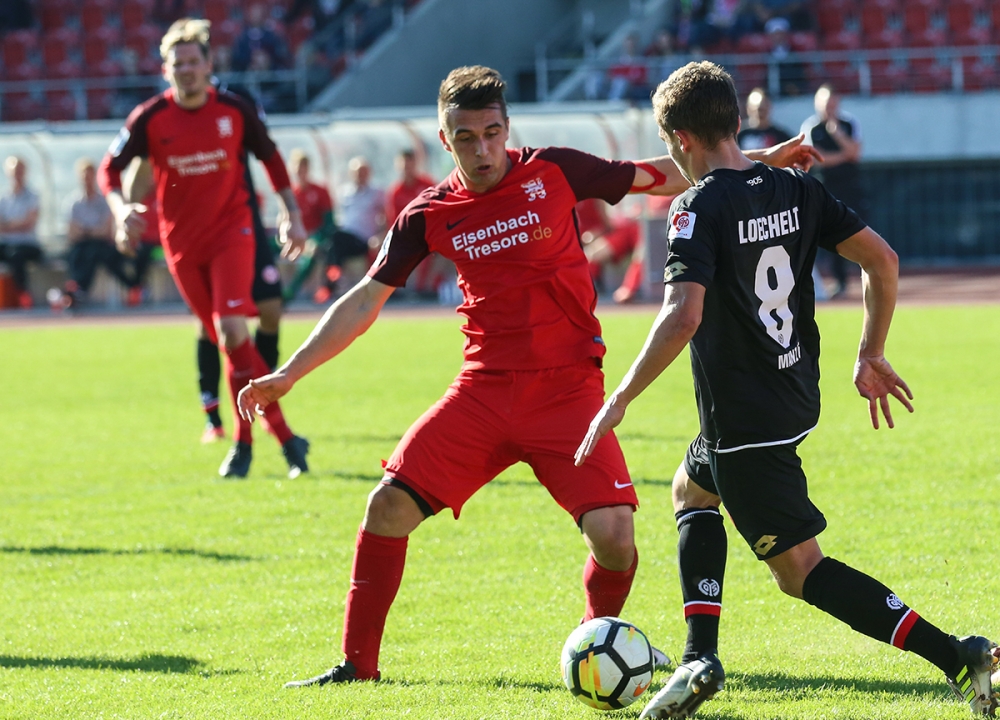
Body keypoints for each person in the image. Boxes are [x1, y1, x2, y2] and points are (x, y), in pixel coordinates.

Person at [235, 64, 820, 687]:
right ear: (445, 139)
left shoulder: (555, 170)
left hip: (569, 394)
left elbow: (662, 172)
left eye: (492, 133)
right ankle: (357, 667)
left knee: (615, 537)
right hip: (482, 394)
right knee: (386, 508)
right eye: (466, 138)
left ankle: (593, 649)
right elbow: (362, 302)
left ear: (507, 128)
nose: (482, 150)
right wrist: (288, 373)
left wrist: (758, 159)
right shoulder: (428, 213)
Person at [574, 61, 998, 719]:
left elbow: (683, 315)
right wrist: (871, 351)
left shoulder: (695, 207)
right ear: (733, 120)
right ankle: (699, 656)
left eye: (667, 144)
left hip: (745, 420)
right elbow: (882, 260)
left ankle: (957, 655)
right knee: (691, 489)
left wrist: (621, 397)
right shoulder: (796, 188)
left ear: (680, 139)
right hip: (794, 392)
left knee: (801, 571)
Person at [98, 18, 310, 479]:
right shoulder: (150, 117)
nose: (187, 70)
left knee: (233, 330)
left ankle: (250, 443)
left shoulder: (234, 109)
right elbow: (108, 171)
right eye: (178, 64)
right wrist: (120, 209)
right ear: (165, 69)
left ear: (209, 64)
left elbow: (272, 157)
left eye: (194, 61)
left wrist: (291, 213)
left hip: (232, 234)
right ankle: (283, 438)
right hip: (182, 247)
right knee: (228, 342)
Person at [800, 83, 865, 298]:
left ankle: (861, 279)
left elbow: (856, 152)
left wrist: (837, 135)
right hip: (823, 190)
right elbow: (817, 159)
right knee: (824, 236)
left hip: (850, 189)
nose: (828, 108)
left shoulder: (848, 123)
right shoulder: (810, 127)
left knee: (855, 234)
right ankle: (831, 282)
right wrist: (844, 155)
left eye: (831, 103)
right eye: (824, 103)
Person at [59, 158, 141, 310]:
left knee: (96, 253)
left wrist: (85, 231)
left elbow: (105, 231)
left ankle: (78, 289)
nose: (87, 180)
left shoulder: (104, 201)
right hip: (82, 245)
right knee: (78, 254)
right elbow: (72, 233)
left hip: (101, 245)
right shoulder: (73, 203)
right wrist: (92, 231)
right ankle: (78, 289)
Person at [312, 155, 383, 303]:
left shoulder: (377, 194)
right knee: (332, 245)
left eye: (363, 172)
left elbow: (386, 218)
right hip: (344, 239)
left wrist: (380, 236)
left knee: (334, 241)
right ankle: (334, 280)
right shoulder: (345, 193)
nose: (360, 175)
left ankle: (331, 283)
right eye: (357, 172)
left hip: (364, 239)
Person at [385, 148, 444, 298]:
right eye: (404, 166)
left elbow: (439, 210)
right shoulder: (396, 192)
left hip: (430, 232)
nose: (407, 169)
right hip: (408, 236)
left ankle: (428, 290)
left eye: (410, 165)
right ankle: (407, 292)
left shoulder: (427, 185)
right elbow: (394, 221)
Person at [284, 149, 337, 303]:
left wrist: (314, 237)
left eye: (304, 166)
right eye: (297, 167)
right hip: (294, 237)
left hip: (315, 237)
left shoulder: (320, 191)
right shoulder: (289, 194)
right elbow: (284, 219)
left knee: (312, 251)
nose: (301, 171)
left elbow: (329, 223)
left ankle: (291, 291)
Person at [0, 156, 41, 309]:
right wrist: (17, 223)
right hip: (6, 244)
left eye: (20, 171)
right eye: (14, 171)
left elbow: (28, 224)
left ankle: (23, 294)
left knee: (16, 255)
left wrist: (7, 225)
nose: (17, 174)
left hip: (27, 245)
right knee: (11, 252)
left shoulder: (33, 196)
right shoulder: (3, 198)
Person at [737, 87, 791, 151]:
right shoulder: (738, 134)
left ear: (769, 108)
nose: (760, 114)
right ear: (748, 109)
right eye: (758, 109)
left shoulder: (780, 136)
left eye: (763, 109)